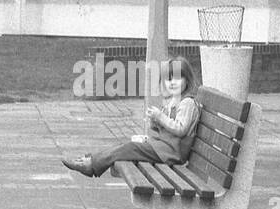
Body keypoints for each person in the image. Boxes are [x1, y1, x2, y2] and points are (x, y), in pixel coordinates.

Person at [62, 57, 200, 178]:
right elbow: (164, 129)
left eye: (177, 78)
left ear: (187, 80)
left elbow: (181, 129)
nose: (172, 83)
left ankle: (91, 165)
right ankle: (90, 161)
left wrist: (161, 117)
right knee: (126, 146)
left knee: (130, 148)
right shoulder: (172, 101)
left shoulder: (187, 103)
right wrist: (155, 121)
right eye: (169, 79)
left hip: (171, 154)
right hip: (163, 149)